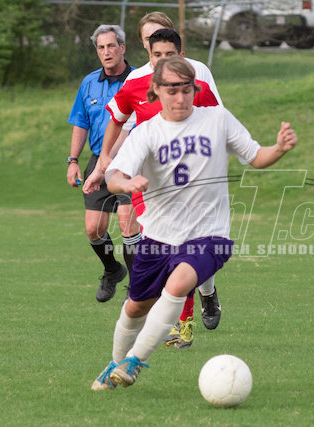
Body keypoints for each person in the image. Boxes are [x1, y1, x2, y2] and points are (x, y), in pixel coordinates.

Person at [90, 56, 297, 390]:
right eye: (172, 89)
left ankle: (135, 360)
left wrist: (280, 148)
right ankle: (115, 364)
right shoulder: (146, 133)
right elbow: (114, 176)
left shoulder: (218, 119)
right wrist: (125, 183)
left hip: (209, 235)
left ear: (195, 89)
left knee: (177, 286)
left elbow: (256, 156)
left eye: (186, 89)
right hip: (159, 237)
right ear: (156, 90)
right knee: (136, 306)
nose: (180, 97)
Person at [84, 20, 223, 348]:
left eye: (167, 52)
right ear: (147, 49)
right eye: (153, 48)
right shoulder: (135, 83)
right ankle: (178, 319)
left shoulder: (198, 77)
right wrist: (105, 162)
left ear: (179, 52)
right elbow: (121, 123)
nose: (161, 57)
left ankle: (203, 297)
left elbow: (218, 121)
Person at [67, 25, 141, 303]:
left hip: (131, 161)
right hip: (98, 159)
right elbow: (80, 122)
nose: (106, 52)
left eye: (111, 46)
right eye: (101, 47)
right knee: (93, 229)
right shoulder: (88, 83)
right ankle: (112, 270)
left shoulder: (138, 79)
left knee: (127, 224)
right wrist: (73, 160)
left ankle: (137, 288)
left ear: (122, 47)